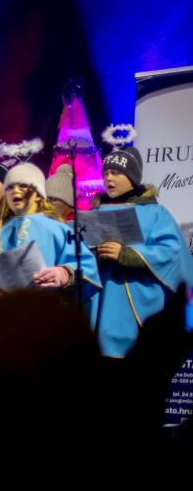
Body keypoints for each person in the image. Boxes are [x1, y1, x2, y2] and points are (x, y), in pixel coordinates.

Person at [90, 136, 193, 357]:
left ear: (132, 177)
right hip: (101, 304)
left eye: (116, 173)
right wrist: (93, 253)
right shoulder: (95, 214)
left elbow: (172, 252)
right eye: (106, 173)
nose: (109, 178)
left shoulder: (155, 213)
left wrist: (127, 254)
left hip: (140, 307)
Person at [0, 162, 101, 309]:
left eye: (23, 186)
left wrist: (63, 273)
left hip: (48, 310)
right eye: (10, 187)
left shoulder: (57, 229)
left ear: (38, 195)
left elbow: (86, 264)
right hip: (7, 312)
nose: (15, 191)